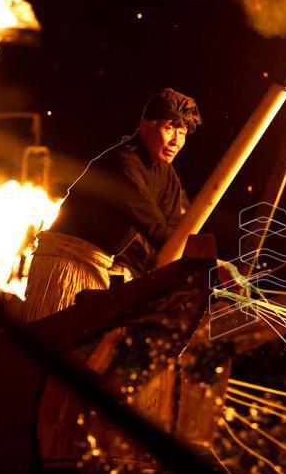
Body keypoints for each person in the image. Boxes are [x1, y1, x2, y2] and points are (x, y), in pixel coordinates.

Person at [23, 88, 201, 322]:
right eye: (169, 128)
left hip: (98, 267)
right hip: (65, 264)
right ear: (145, 125)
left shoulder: (168, 179)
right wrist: (209, 264)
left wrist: (197, 267)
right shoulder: (124, 163)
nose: (176, 141)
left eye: (183, 132)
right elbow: (157, 231)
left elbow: (174, 238)